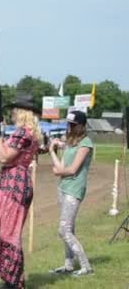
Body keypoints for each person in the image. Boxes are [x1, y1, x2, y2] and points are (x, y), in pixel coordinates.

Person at [0, 94, 42, 289]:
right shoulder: (28, 133)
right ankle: (12, 279)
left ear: (22, 112)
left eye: (15, 110)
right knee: (7, 232)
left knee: (9, 234)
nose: (12, 113)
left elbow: (5, 157)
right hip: (16, 183)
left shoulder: (23, 133)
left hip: (14, 186)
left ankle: (14, 282)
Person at [48, 110, 94, 277]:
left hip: (74, 190)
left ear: (81, 126)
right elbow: (60, 167)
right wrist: (52, 151)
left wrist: (59, 172)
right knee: (69, 229)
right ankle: (68, 265)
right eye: (68, 124)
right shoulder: (71, 143)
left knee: (64, 230)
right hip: (63, 188)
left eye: (72, 125)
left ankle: (86, 266)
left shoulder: (86, 144)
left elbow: (73, 169)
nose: (69, 127)